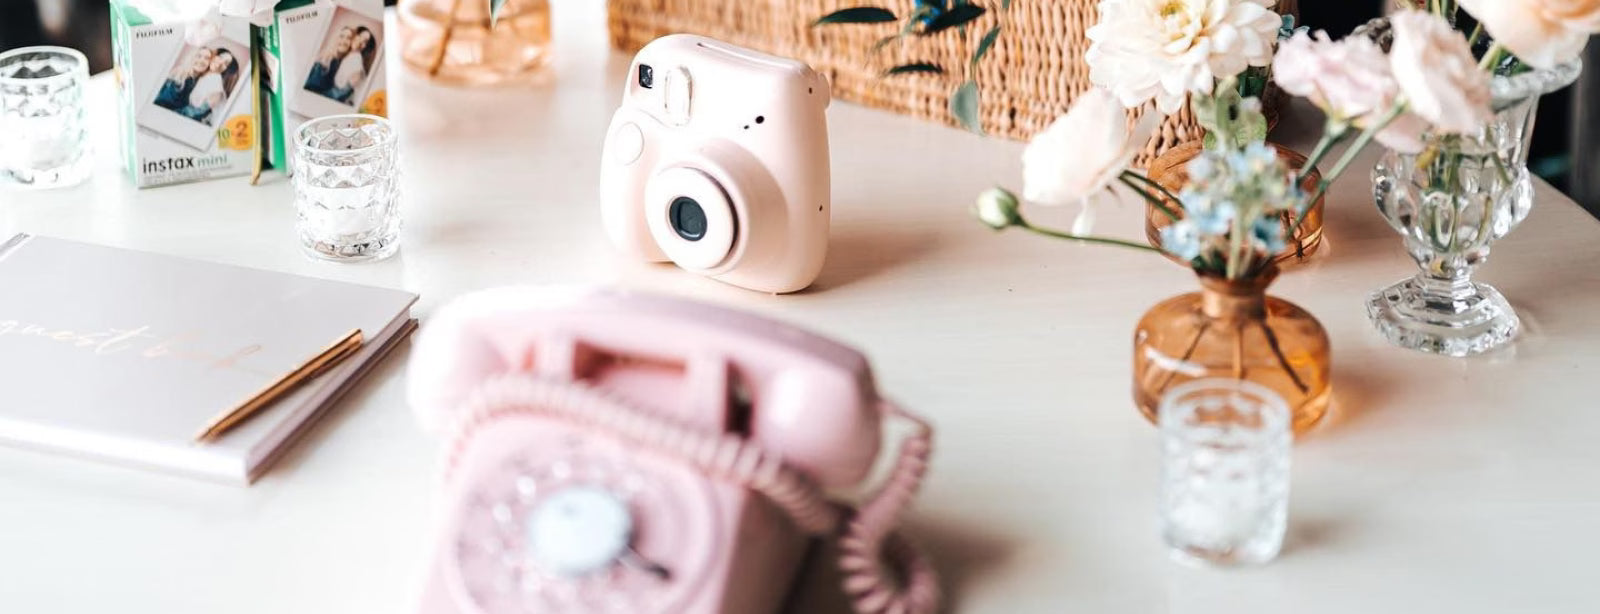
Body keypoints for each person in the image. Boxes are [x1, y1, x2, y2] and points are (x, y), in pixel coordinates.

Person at [177, 48, 238, 124]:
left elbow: (197, 112)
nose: (220, 62)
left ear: (226, 70)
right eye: (221, 57)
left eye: (226, 63)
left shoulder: (216, 84)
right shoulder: (203, 75)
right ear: (214, 56)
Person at [325, 26, 377, 104]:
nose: (359, 40)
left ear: (365, 47)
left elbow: (340, 94)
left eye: (364, 41)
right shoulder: (348, 56)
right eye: (359, 35)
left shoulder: (357, 65)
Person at [153, 47, 212, 113]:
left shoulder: (200, 81)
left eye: (207, 58)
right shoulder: (180, 76)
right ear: (192, 58)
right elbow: (163, 103)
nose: (202, 60)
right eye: (199, 56)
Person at [305, 27, 352, 100]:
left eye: (349, 38)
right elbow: (313, 92)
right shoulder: (327, 60)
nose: (345, 41)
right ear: (336, 39)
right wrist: (349, 87)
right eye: (342, 36)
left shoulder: (341, 62)